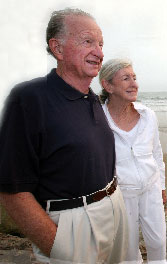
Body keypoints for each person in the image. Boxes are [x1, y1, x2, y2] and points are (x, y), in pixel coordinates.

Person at [0, 9, 128, 264]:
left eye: (101, 44)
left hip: (115, 210)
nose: (100, 52)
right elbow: (12, 190)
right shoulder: (29, 98)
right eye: (87, 41)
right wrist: (57, 246)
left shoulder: (91, 98)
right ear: (57, 48)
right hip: (72, 224)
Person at [99, 58, 167, 264]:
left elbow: (156, 152)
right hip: (120, 196)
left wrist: (162, 186)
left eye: (135, 78)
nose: (134, 83)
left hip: (151, 189)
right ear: (108, 85)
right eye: (126, 78)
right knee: (127, 251)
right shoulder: (98, 120)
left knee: (158, 243)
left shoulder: (148, 115)